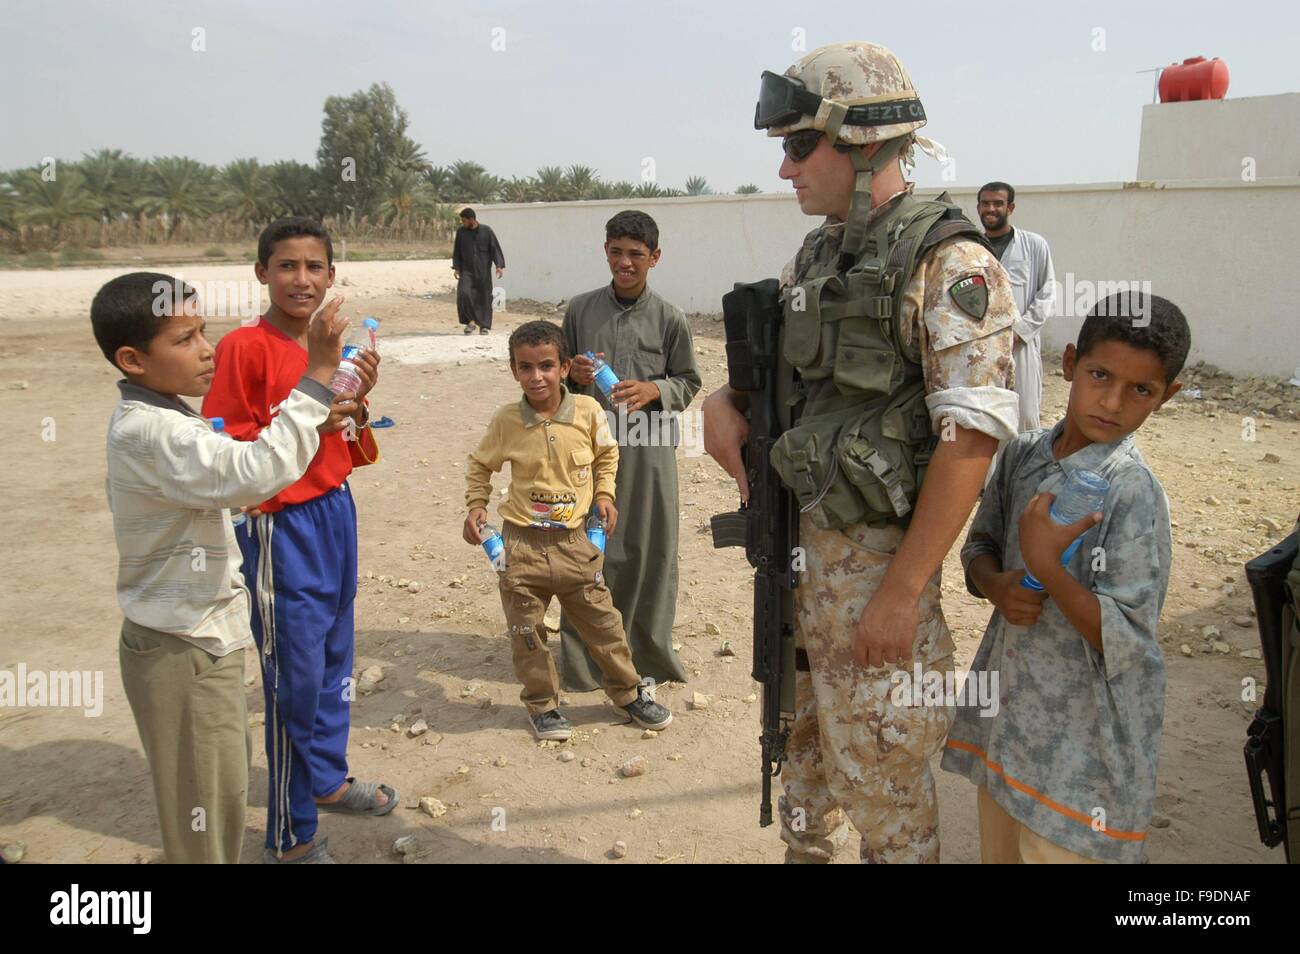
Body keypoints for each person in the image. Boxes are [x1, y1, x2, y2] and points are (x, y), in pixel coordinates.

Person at [703, 42, 1020, 863]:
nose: (784, 168)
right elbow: (798, 394)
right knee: (804, 784)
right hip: (798, 575)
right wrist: (724, 405)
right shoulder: (814, 257)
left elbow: (971, 439)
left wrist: (904, 593)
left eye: (800, 145)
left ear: (867, 142)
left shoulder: (952, 265)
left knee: (886, 798)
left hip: (878, 588)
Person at [95, 271, 344, 863]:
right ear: (132, 359)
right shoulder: (153, 431)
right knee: (207, 821)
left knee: (220, 801)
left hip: (197, 638)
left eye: (203, 331)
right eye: (185, 339)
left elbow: (233, 474)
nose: (207, 349)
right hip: (186, 644)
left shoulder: (167, 420)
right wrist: (319, 375)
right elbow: (256, 469)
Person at [941, 292, 1189, 863]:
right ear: (1070, 362)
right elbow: (981, 545)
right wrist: (995, 584)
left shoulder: (1132, 492)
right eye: (1100, 375)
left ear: (1167, 396)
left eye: (1141, 391)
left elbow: (1127, 637)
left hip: (1085, 760)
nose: (1112, 401)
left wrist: (1048, 569)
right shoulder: (1023, 454)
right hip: (1013, 731)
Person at [202, 216, 393, 864]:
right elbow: (229, 448)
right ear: (262, 273)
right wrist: (309, 406)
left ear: (332, 276)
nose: (302, 279)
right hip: (279, 523)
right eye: (287, 266)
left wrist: (356, 402)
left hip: (335, 511)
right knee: (295, 677)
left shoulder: (332, 345)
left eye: (315, 267)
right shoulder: (242, 349)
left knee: (337, 653)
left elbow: (343, 444)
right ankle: (291, 834)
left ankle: (327, 779)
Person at [463, 320, 673, 740]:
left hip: (576, 543)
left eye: (546, 366)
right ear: (513, 370)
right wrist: (476, 506)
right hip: (520, 545)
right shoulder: (506, 421)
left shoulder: (588, 411)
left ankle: (629, 694)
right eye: (525, 367)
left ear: (563, 369)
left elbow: (606, 457)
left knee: (604, 625)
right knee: (527, 633)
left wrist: (605, 497)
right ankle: (542, 706)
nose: (535, 377)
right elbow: (480, 465)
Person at [561, 210, 701, 689]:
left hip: (649, 449)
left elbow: (690, 381)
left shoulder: (670, 318)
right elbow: (551, 373)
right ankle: (583, 663)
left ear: (654, 258)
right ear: (605, 251)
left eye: (636, 255)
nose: (625, 263)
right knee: (588, 549)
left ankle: (647, 654)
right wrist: (571, 375)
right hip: (589, 448)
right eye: (616, 252)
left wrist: (655, 390)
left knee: (649, 548)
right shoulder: (580, 309)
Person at [978, 182, 1056, 432]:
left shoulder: (1034, 245)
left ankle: (1023, 471)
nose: (991, 208)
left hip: (1020, 345)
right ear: (978, 207)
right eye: (985, 203)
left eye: (998, 203)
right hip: (981, 346)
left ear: (1010, 207)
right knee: (985, 416)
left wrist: (1020, 333)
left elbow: (1048, 292)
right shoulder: (972, 247)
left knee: (1026, 416)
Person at [452, 207, 505, 335]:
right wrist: (457, 267)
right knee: (464, 293)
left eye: (464, 220)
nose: (463, 223)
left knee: (484, 298)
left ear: (471, 220)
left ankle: (484, 326)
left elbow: (495, 249)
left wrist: (499, 265)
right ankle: (470, 322)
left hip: (483, 272)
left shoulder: (486, 231)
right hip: (467, 271)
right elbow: (457, 250)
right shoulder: (461, 232)